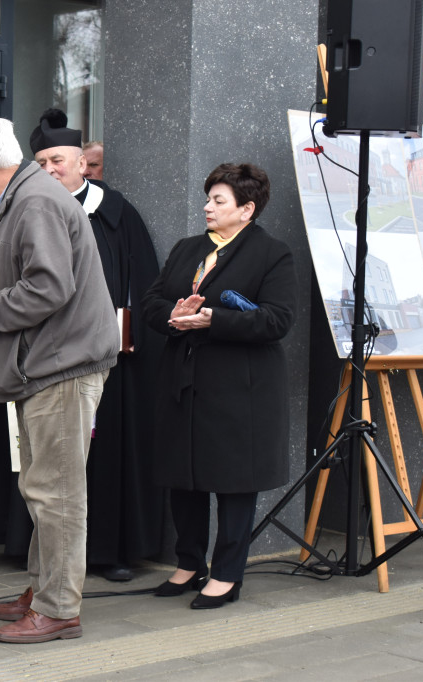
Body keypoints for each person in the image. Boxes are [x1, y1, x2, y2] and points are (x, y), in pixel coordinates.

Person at [0, 116, 119, 643]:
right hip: (47, 364)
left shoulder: (34, 201)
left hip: (61, 367)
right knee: (43, 486)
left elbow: (46, 288)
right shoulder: (24, 196)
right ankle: (44, 590)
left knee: (56, 492)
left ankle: (59, 608)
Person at [142, 162, 295, 609]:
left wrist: (214, 319)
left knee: (232, 482)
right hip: (183, 379)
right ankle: (188, 563)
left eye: (218, 200)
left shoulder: (272, 253)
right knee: (182, 476)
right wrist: (173, 315)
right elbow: (153, 299)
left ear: (246, 209)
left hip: (238, 387)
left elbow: (279, 319)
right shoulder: (188, 247)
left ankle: (227, 574)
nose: (207, 207)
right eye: (208, 198)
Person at [28, 108, 164, 582]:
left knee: (104, 454)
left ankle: (110, 550)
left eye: (58, 161)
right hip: (44, 358)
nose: (50, 170)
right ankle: (42, 562)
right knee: (47, 466)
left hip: (107, 358)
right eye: (41, 162)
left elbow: (144, 283)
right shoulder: (29, 210)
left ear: (82, 163)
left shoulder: (115, 213)